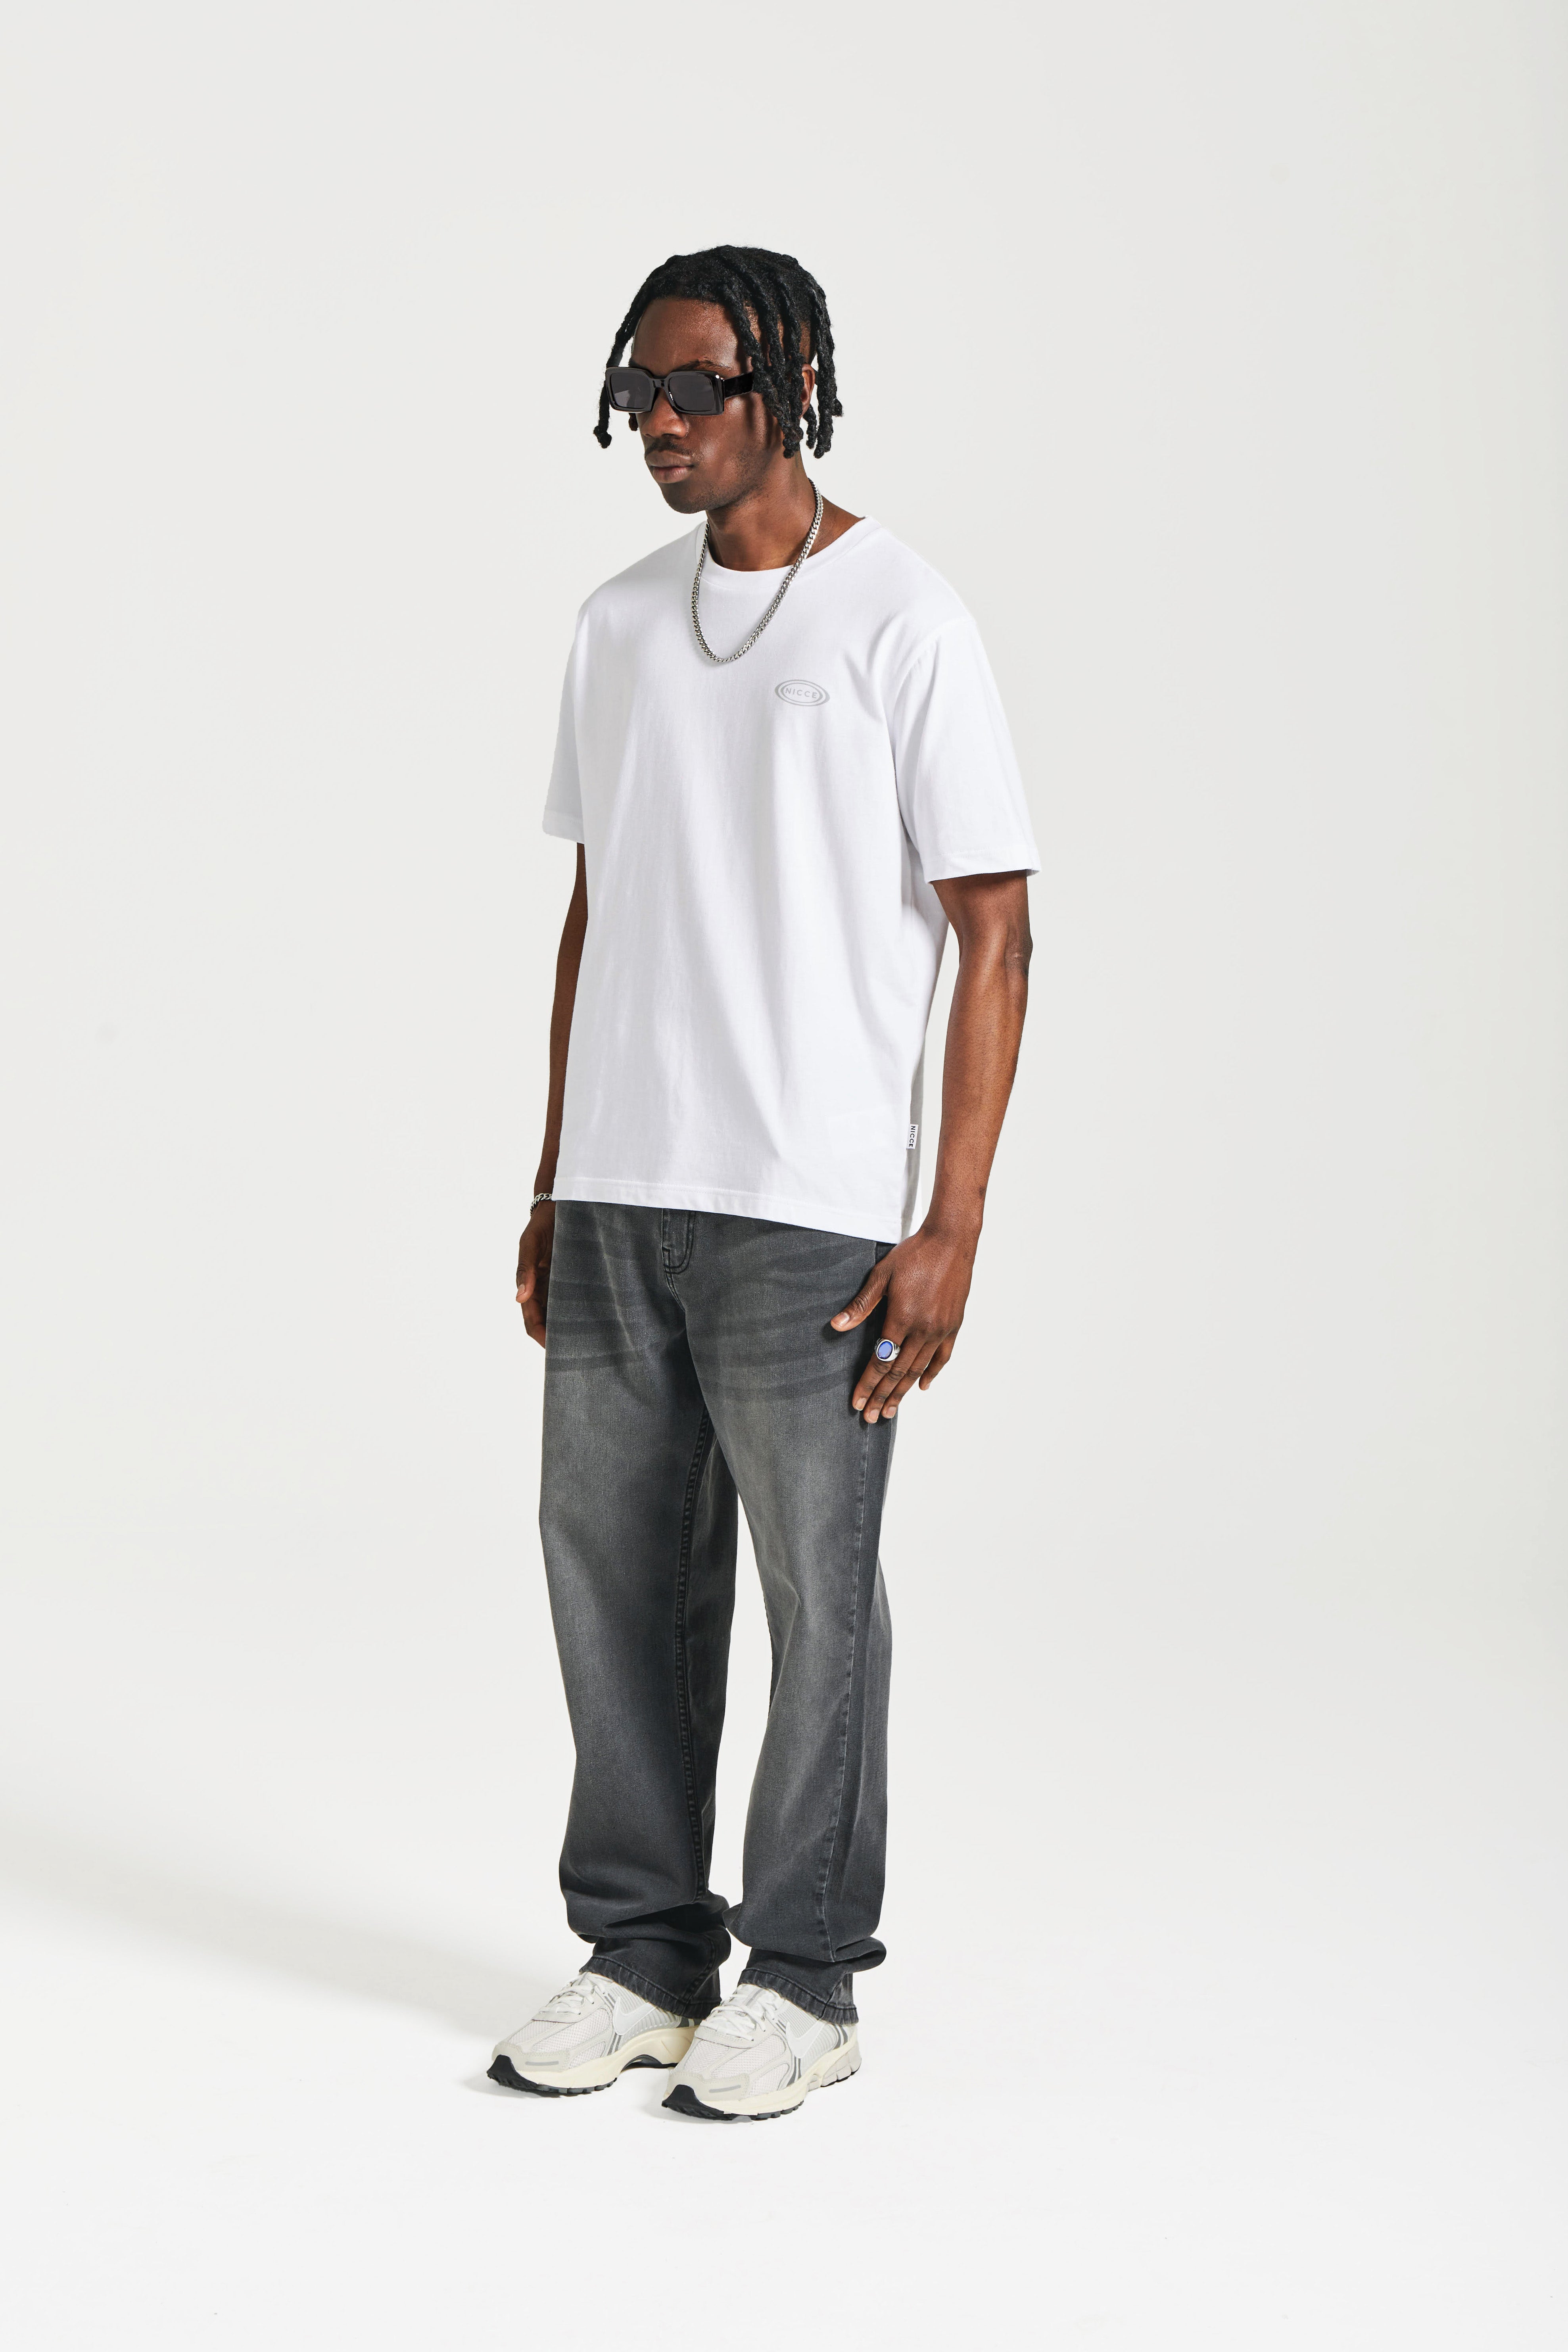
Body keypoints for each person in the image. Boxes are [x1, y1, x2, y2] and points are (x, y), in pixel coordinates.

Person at [488, 246, 1037, 2120]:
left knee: (817, 1591)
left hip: (811, 1202)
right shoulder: (616, 624)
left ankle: (802, 1977)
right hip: (622, 1189)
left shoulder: (902, 616)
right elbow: (597, 906)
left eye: (695, 385)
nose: (659, 421)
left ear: (791, 382)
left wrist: (948, 1219)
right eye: (636, 390)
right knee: (611, 1579)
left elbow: (994, 928)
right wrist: (555, 1174)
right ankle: (644, 1952)